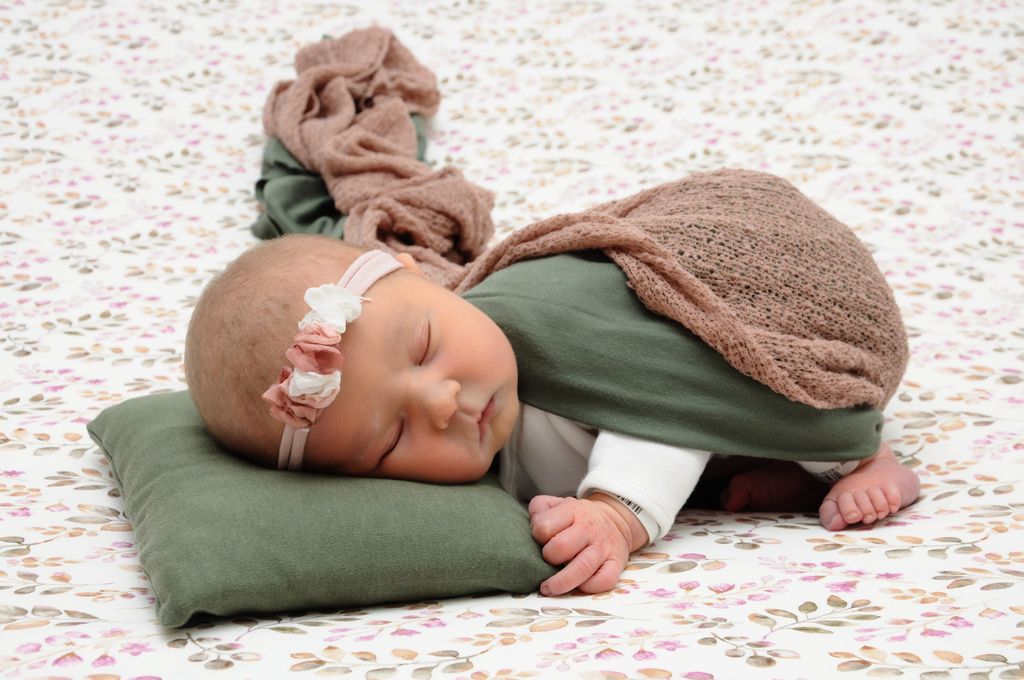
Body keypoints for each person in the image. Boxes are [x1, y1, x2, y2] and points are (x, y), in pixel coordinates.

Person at [184, 233, 920, 598]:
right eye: (392, 439)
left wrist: (616, 515)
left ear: (424, 278)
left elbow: (654, 398)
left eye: (425, 346)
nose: (442, 402)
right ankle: (764, 467)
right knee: (716, 443)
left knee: (721, 395)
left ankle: (859, 454)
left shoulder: (549, 334)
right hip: (699, 429)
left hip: (746, 322)